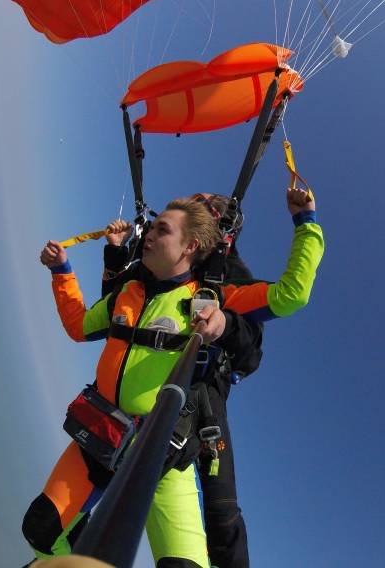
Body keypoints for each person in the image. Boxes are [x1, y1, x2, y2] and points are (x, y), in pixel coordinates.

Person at [24, 189, 324, 567]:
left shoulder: (210, 295)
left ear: (189, 247)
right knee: (41, 530)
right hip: (100, 439)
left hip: (161, 454)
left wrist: (306, 223)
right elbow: (78, 326)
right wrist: (62, 272)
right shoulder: (127, 293)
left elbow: (290, 295)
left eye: (161, 230)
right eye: (151, 227)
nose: (148, 234)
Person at [98, 193, 262, 568]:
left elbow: (251, 352)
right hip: (153, 385)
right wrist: (116, 254)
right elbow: (117, 309)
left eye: (206, 206)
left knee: (221, 507)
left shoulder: (230, 272)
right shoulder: (165, 253)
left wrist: (224, 325)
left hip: (203, 396)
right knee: (106, 464)